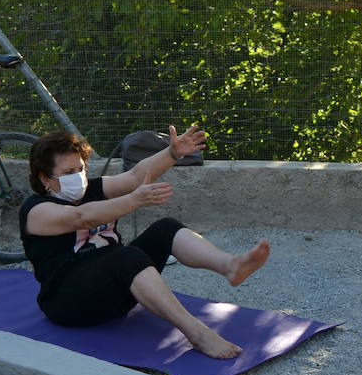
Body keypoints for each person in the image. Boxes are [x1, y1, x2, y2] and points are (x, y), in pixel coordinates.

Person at [20, 126, 270, 358]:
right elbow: (80, 217)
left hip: (114, 290)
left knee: (165, 228)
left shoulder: (93, 189)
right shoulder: (37, 211)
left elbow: (136, 176)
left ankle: (230, 265)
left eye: (81, 169)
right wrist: (133, 201)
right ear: (45, 178)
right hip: (69, 304)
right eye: (68, 173)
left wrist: (172, 152)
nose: (78, 177)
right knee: (126, 256)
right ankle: (198, 333)